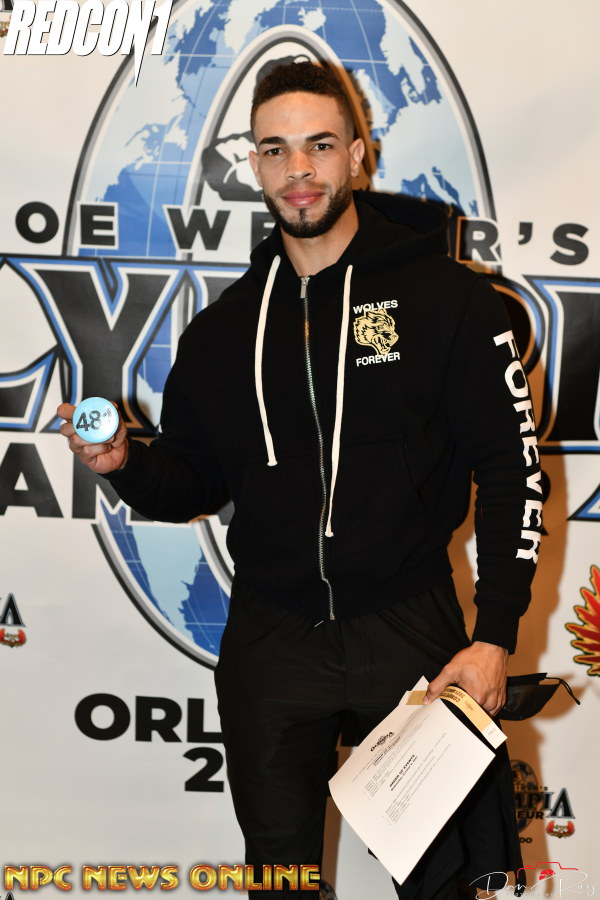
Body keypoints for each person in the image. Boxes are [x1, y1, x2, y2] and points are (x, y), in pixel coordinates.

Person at [58, 62, 542, 900]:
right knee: (279, 880)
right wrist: (125, 463)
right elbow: (194, 482)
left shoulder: (450, 301)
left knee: (440, 883)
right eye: (276, 150)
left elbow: (511, 469)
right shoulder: (222, 331)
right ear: (254, 165)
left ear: (357, 154)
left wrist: (494, 632)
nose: (299, 170)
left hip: (411, 628)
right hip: (272, 639)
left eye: (320, 145)